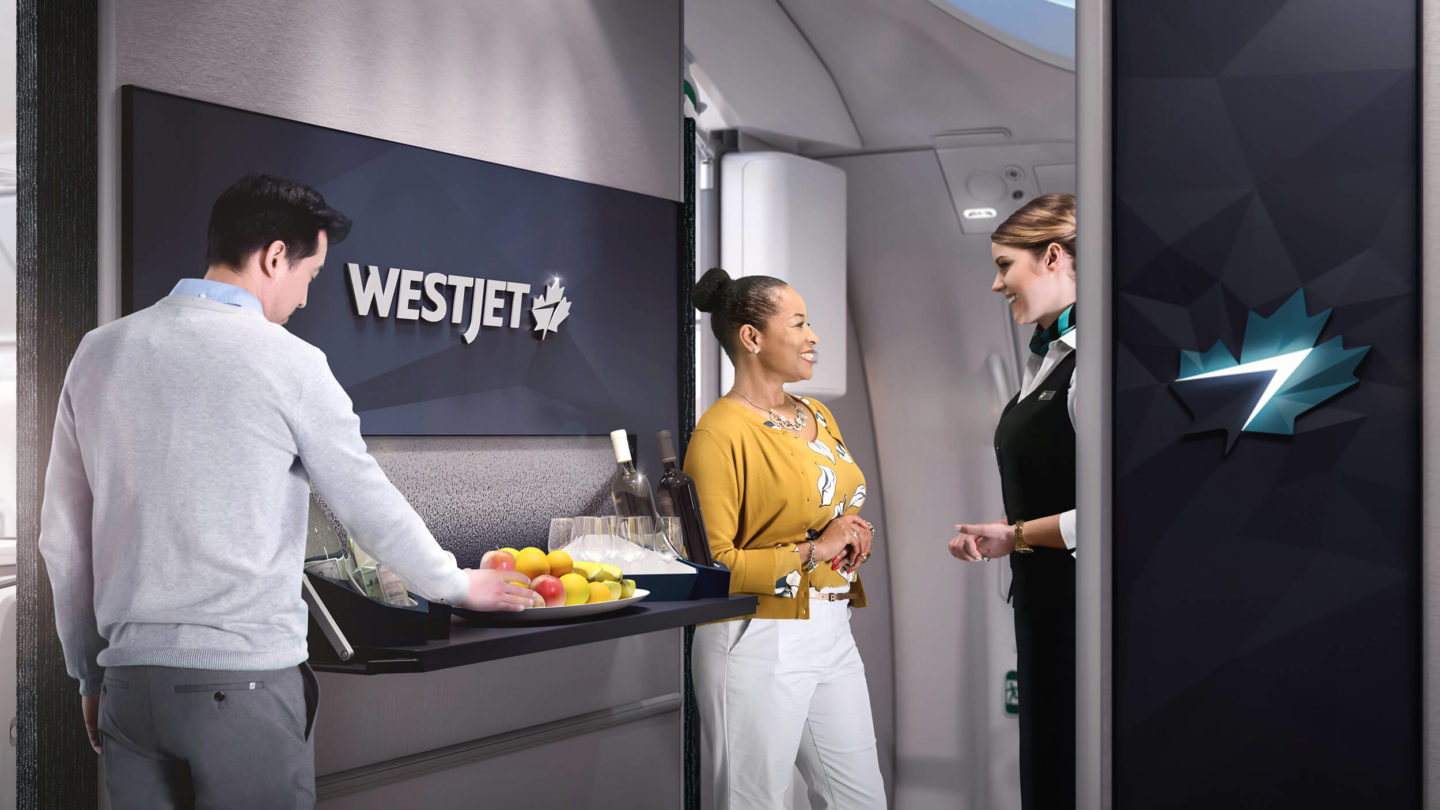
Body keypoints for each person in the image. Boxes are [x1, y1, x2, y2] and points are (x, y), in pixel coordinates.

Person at [38, 173, 534, 809]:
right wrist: (458, 585)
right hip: (243, 686)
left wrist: (88, 670)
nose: (304, 297)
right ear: (274, 256)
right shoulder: (291, 362)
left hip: (130, 691)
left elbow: (63, 537)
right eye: (311, 273)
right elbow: (366, 503)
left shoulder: (98, 352)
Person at [686, 267, 886, 810]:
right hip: (756, 635)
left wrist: (850, 532)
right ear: (751, 337)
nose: (813, 336)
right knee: (755, 803)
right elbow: (713, 566)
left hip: (830, 625)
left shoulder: (817, 413)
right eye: (798, 323)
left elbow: (832, 501)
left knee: (861, 802)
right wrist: (815, 549)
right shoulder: (718, 433)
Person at [948, 193, 1078, 810]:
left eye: (1005, 265)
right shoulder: (1046, 359)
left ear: (1053, 257)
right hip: (1047, 605)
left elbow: (1123, 512)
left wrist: (1017, 536)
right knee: (1048, 768)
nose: (997, 283)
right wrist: (1005, 530)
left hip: (1090, 611)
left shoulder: (1094, 364)